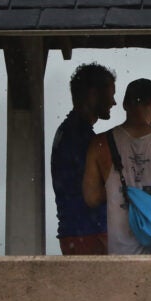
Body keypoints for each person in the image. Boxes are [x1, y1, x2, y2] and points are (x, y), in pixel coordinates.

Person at [83, 78, 151, 254]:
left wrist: (120, 188)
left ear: (124, 104)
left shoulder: (99, 144)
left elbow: (91, 197)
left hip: (121, 256)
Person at [51, 63, 116, 255]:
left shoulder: (68, 131)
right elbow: (94, 193)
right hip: (89, 234)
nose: (114, 102)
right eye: (111, 94)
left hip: (75, 232)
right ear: (93, 94)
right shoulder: (82, 139)